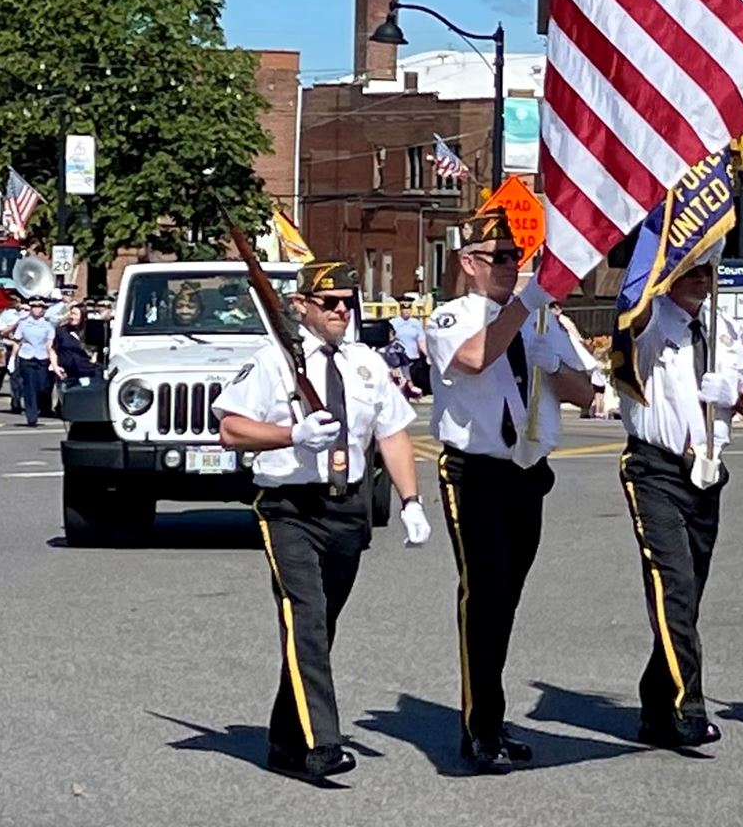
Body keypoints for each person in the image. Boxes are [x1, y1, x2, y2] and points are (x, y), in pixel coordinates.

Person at [216, 257, 427, 785]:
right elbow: (231, 429)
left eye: (347, 304)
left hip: (347, 507)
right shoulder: (273, 361)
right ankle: (321, 744)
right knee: (305, 617)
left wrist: (411, 501)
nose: (340, 311)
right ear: (300, 305)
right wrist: (291, 435)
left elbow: (392, 432)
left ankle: (286, 739)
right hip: (290, 508)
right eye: (328, 302)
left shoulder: (365, 364)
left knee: (320, 627)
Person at [424, 206, 601, 772]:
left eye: (514, 257)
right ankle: (479, 728)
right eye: (497, 257)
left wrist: (553, 365)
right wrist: (526, 306)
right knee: (484, 594)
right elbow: (476, 358)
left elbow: (586, 393)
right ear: (468, 263)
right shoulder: (451, 317)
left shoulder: (541, 320)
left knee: (507, 600)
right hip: (475, 473)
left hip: (527, 473)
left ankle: (492, 720)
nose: (508, 265)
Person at [614, 259, 743, 752]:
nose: (700, 280)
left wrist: (736, 398)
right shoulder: (650, 319)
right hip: (655, 469)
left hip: (706, 474)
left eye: (707, 271)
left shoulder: (726, 329)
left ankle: (656, 708)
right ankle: (689, 707)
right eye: (689, 270)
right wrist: (652, 255)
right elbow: (634, 313)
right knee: (675, 587)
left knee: (687, 598)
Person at [0, 295, 60, 427]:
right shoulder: (24, 323)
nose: (37, 309)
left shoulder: (48, 324)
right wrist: (13, 358)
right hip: (27, 357)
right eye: (34, 306)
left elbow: (50, 344)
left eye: (40, 307)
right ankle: (31, 416)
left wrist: (53, 362)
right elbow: (18, 342)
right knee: (29, 387)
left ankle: (40, 406)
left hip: (42, 358)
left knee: (43, 387)